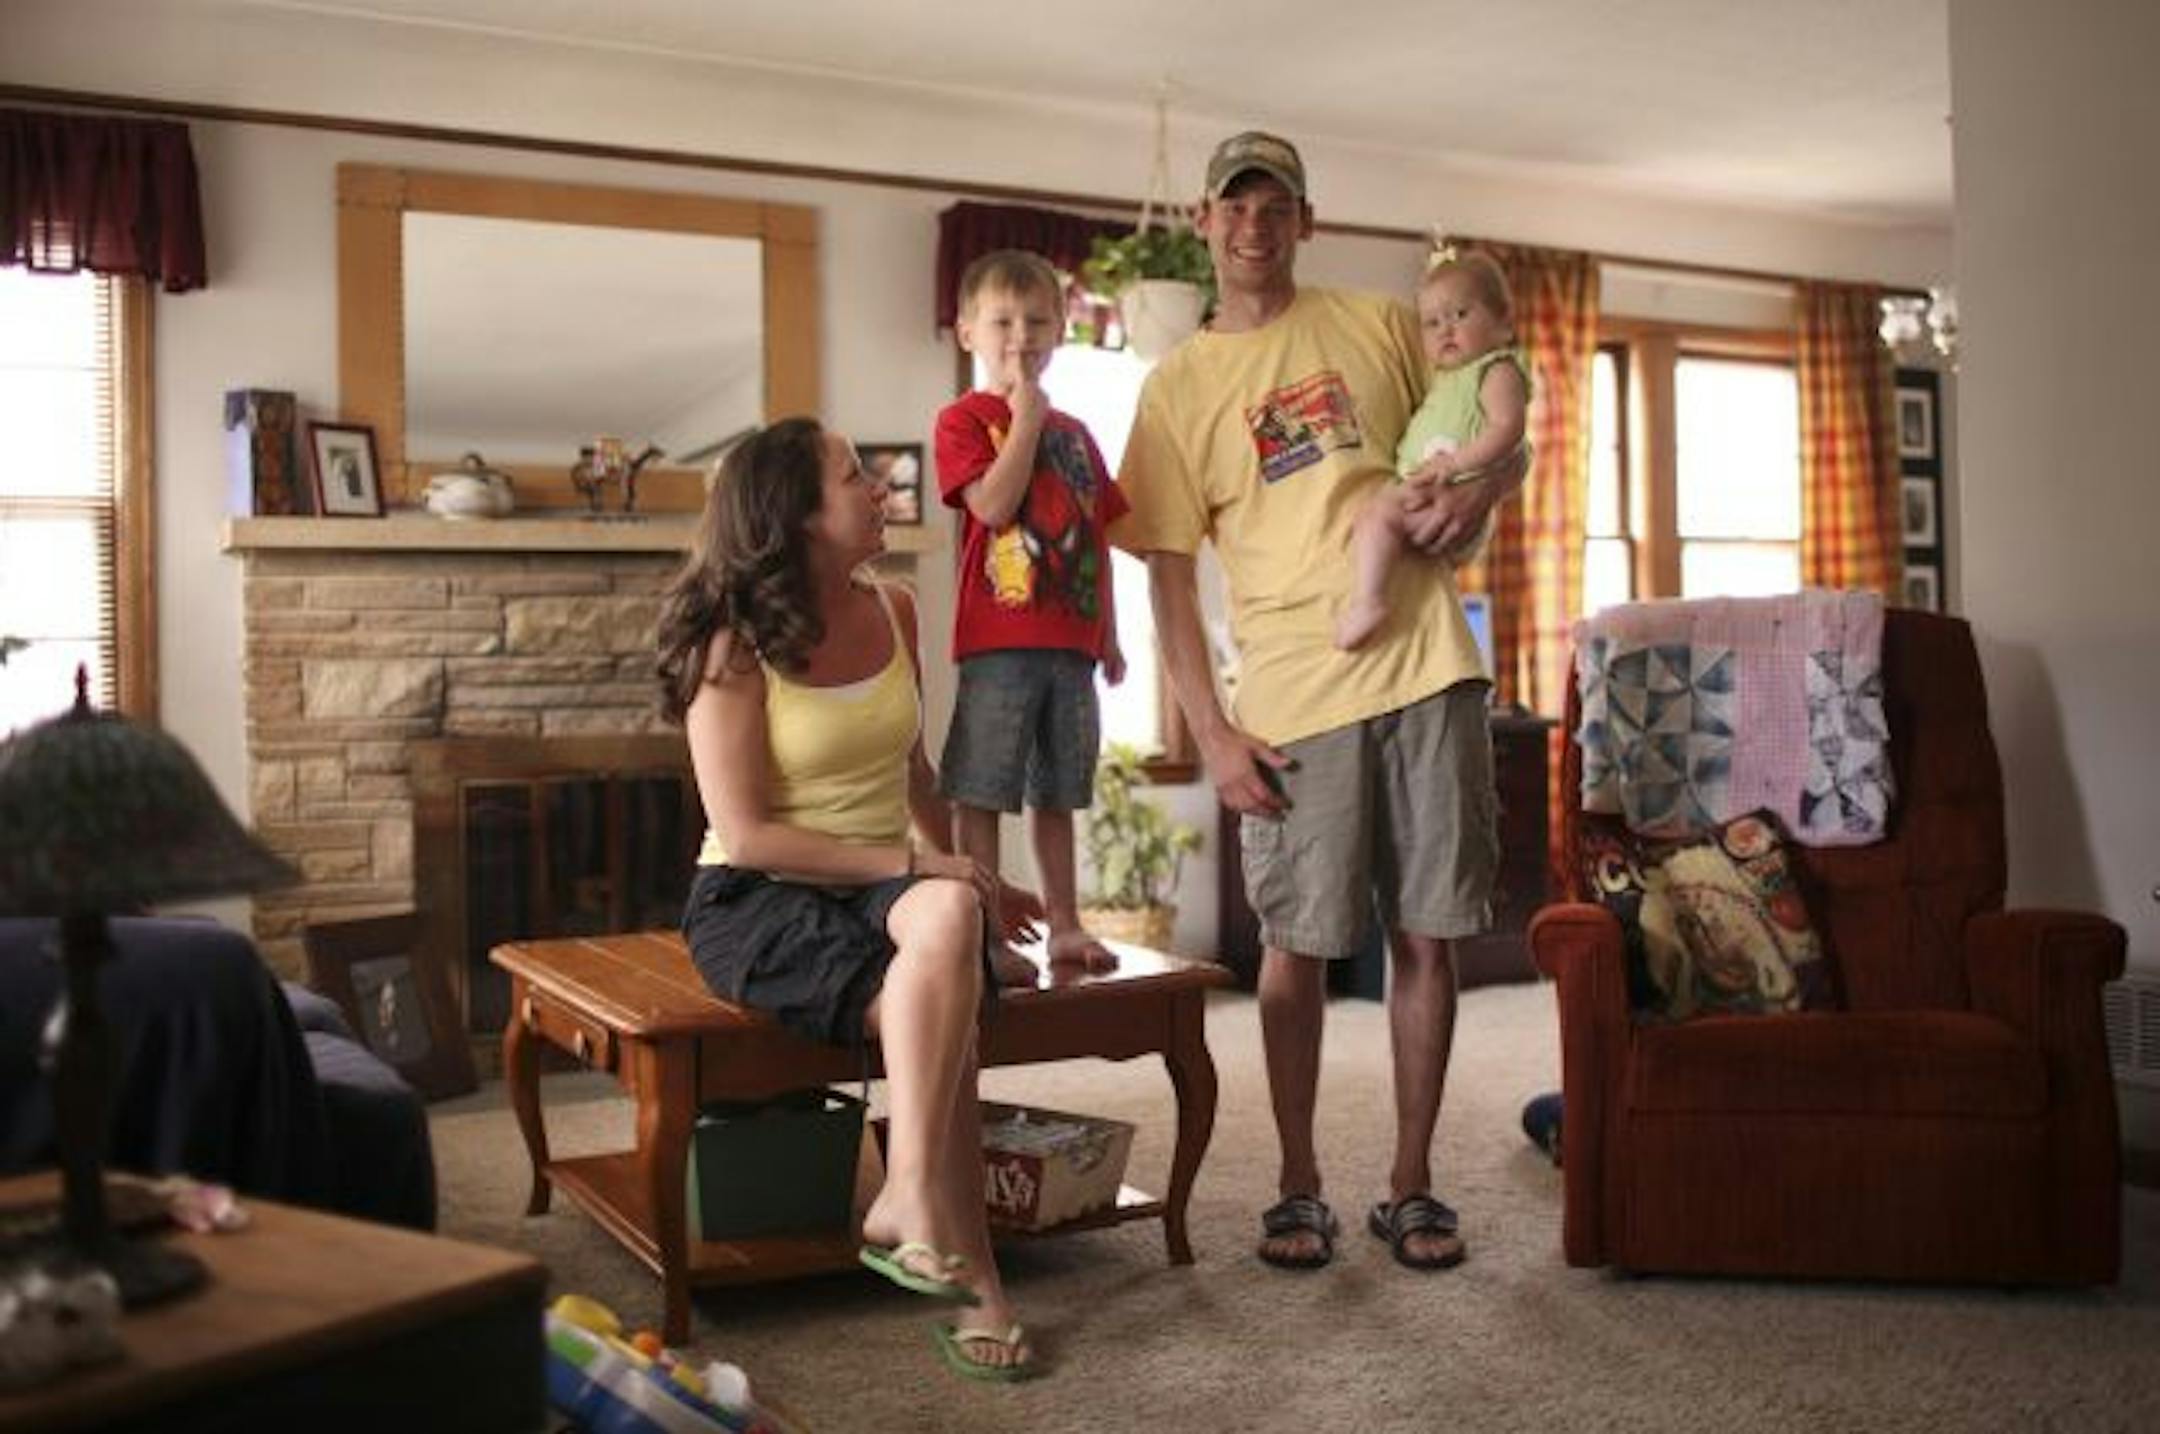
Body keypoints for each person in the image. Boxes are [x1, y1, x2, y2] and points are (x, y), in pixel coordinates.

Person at [1112, 131, 1526, 1274]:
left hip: (1429, 662)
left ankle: (1412, 1183)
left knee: (1429, 932)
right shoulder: (1180, 385)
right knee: (1294, 943)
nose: (1254, 224)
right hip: (1293, 688)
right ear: (1205, 221)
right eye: (1235, 205)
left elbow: (1484, 430)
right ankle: (1299, 1185)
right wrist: (1209, 728)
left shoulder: (1384, 326)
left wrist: (1479, 506)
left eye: (1275, 205)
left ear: (1306, 220)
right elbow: (1165, 577)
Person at [655, 418, 1048, 1382]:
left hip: (878, 879)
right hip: (760, 895)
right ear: (795, 517)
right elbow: (745, 834)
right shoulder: (731, 642)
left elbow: (913, 772)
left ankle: (909, 1191)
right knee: (942, 992)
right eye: (852, 478)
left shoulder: (899, 608)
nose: (879, 488)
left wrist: (964, 875)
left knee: (951, 929)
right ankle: (974, 1276)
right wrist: (913, 872)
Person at [936, 248, 1130, 972]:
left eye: (1039, 319)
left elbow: (1095, 534)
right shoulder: (963, 420)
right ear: (967, 334)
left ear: (1061, 330)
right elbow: (993, 502)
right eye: (1003, 320)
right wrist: (1027, 420)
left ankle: (1067, 925)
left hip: (1071, 646)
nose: (1021, 334)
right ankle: (983, 935)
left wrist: (1106, 629)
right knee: (982, 790)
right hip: (998, 643)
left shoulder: (1078, 435)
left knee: (1059, 792)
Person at [1334, 248, 1530, 650]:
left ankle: (1368, 602)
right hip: (1434, 490)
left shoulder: (1497, 370)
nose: (1446, 331)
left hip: (1450, 492)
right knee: (1374, 524)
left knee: (1374, 518)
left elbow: (1509, 429)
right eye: (1433, 323)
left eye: (1460, 315)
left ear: (1504, 321)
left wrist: (1455, 464)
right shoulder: (1447, 378)